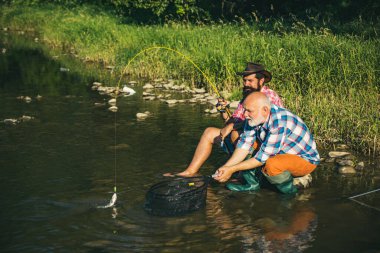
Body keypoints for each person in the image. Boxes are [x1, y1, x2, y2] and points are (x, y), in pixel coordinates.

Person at [169, 63, 284, 177]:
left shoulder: (269, 96)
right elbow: (231, 121)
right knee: (209, 132)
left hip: (263, 143)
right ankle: (190, 172)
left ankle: (242, 175)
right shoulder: (247, 96)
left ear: (261, 80)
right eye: (244, 81)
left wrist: (232, 127)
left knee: (234, 133)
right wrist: (224, 111)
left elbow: (262, 121)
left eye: (250, 81)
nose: (246, 84)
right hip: (246, 138)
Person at [213, 92, 320, 194]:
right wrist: (226, 167)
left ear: (265, 110)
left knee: (272, 165)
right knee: (245, 141)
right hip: (281, 151)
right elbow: (244, 146)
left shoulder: (278, 122)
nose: (245, 115)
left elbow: (261, 158)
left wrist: (232, 169)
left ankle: (290, 193)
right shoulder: (254, 118)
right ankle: (252, 184)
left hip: (305, 159)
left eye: (249, 111)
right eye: (244, 110)